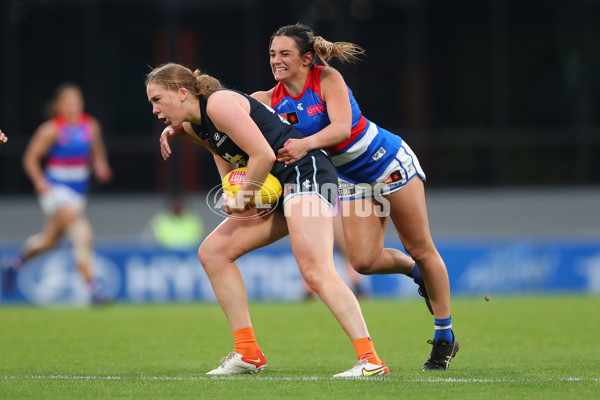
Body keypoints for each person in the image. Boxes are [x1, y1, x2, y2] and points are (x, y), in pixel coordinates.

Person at [147, 62, 389, 377]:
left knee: (315, 270)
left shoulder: (219, 104)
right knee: (213, 252)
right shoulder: (195, 126)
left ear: (182, 93)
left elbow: (263, 155)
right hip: (277, 187)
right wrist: (231, 193)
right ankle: (248, 353)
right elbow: (225, 157)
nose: (154, 109)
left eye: (157, 99)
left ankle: (370, 360)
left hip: (307, 173)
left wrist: (245, 196)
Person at [251, 23, 458, 371]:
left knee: (421, 247)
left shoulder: (327, 78)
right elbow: (225, 114)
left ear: (306, 58)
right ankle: (415, 272)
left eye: (285, 53)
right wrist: (183, 125)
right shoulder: (268, 100)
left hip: (387, 164)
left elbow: (342, 129)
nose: (276, 60)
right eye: (273, 54)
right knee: (362, 261)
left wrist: (304, 144)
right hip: (350, 179)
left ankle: (444, 337)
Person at [1, 83, 112, 304]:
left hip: (78, 193)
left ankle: (14, 264)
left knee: (49, 241)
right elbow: (30, 158)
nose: (73, 106)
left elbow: (97, 151)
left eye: (76, 101)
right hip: (55, 191)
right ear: (59, 105)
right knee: (82, 232)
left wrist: (100, 165)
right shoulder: (50, 130)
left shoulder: (90, 126)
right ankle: (94, 290)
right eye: (68, 102)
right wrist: (39, 181)